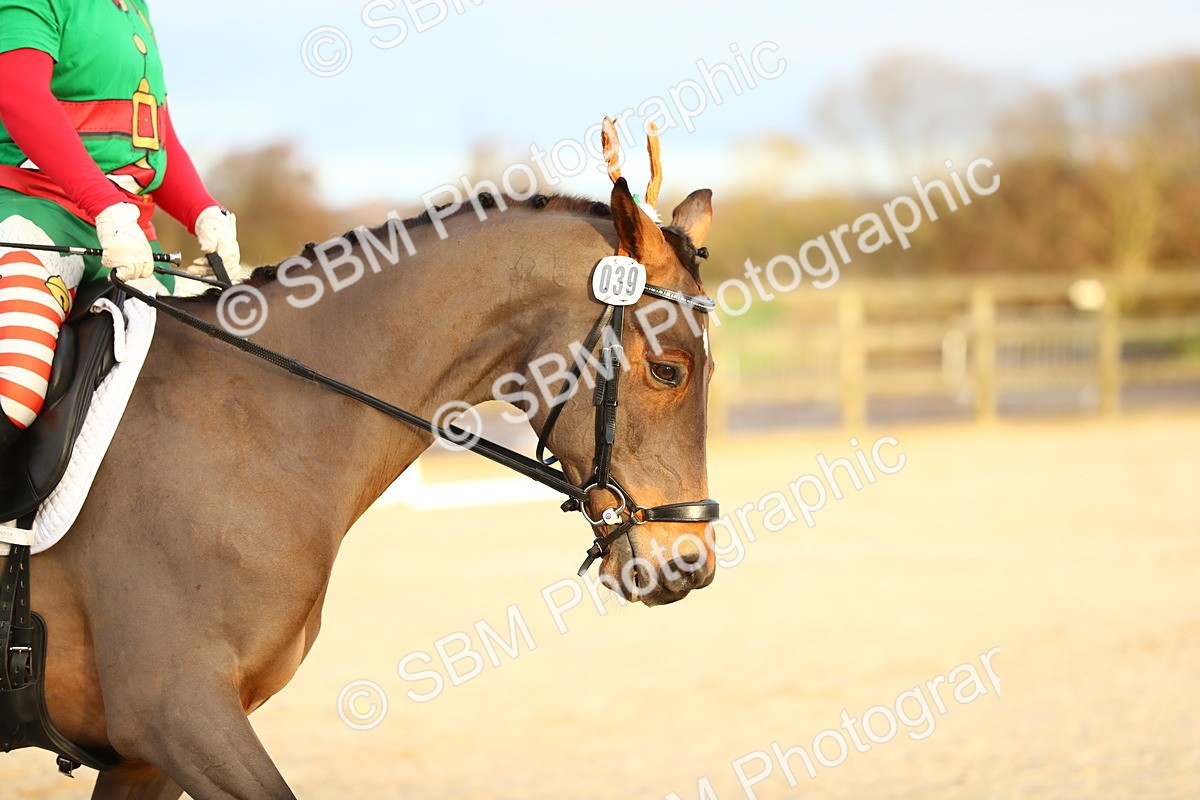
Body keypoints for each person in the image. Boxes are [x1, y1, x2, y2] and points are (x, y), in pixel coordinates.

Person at [0, 0, 241, 456]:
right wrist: (105, 205)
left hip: (126, 238)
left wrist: (204, 212)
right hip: (32, 217)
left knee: (198, 367)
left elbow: (154, 139)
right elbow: (19, 97)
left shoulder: (134, 8)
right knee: (17, 383)